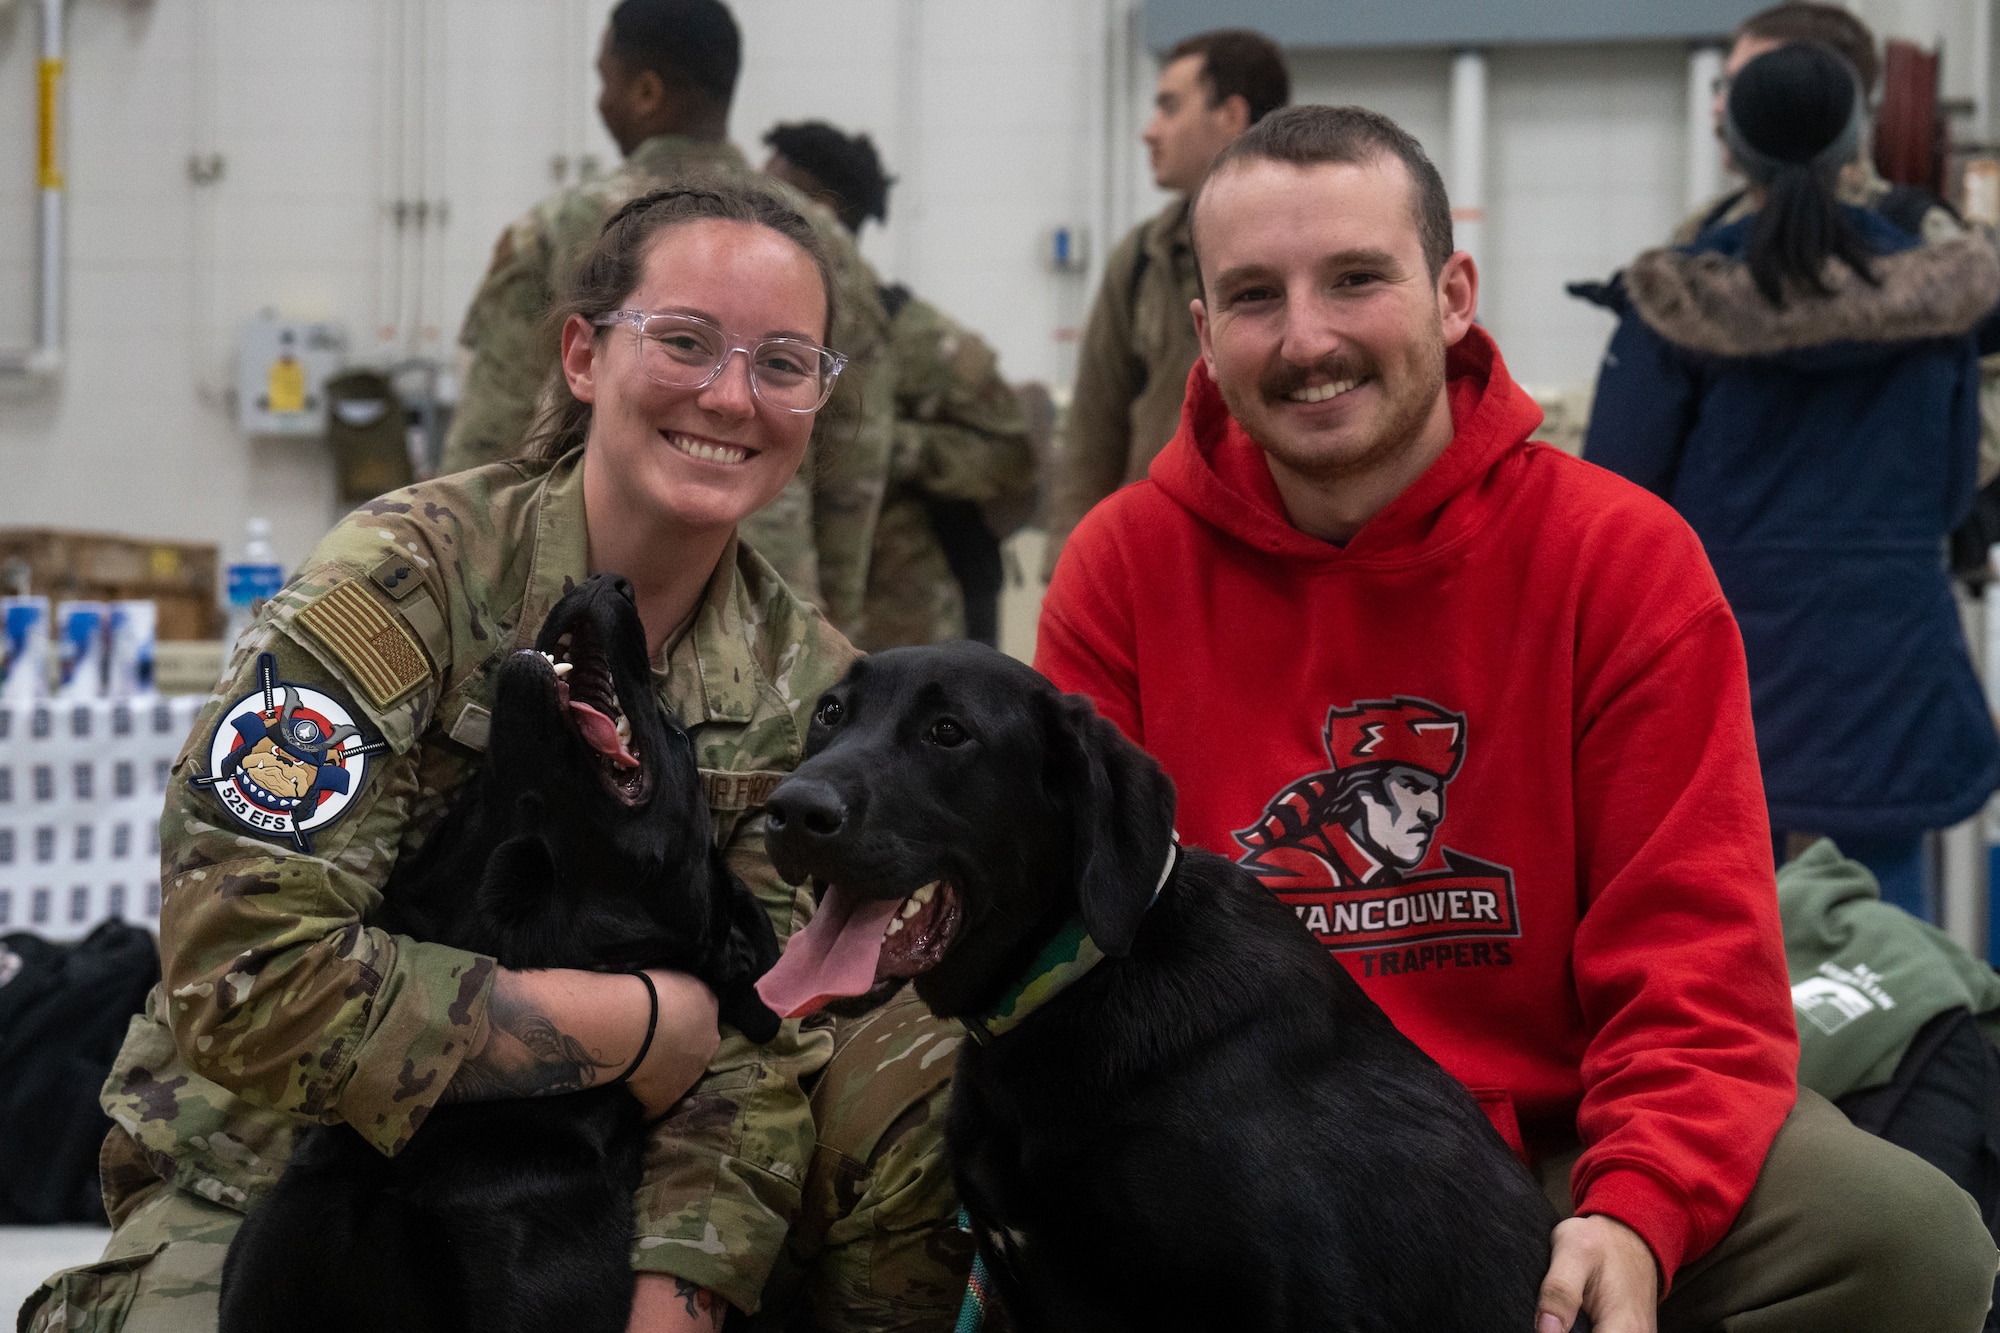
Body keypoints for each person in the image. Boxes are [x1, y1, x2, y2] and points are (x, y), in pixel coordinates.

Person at [1035, 102, 1999, 1332]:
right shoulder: (1118, 571)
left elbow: (1694, 960)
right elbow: (1078, 964)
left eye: (1353, 279)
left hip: (1563, 1141)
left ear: (1450, 293)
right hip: (1247, 1155)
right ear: (1203, 331)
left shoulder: (1620, 559)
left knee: (1904, 1240)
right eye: (1254, 296)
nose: (1307, 338)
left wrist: (1636, 1208)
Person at [18, 182, 929, 1333]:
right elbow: (248, 975)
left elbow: (759, 1063)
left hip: (589, 1186)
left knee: (921, 1079)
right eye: (686, 342)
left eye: (784, 361)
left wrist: (674, 1295)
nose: (731, 394)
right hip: (289, 1175)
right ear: (583, 356)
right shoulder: (403, 590)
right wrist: (639, 1024)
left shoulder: (807, 689)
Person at [1582, 44, 2000, 923]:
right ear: (1856, 141)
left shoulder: (1680, 302)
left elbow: (1617, 497)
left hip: (1728, 658)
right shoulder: (1942, 298)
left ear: (1733, 143)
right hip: (1891, 654)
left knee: (1723, 921)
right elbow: (1957, 490)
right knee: (1893, 943)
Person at [441, 0, 895, 642]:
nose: (603, 103)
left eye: (606, 81)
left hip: (559, 612)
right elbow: (858, 450)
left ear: (646, 90)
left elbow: (487, 441)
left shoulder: (557, 230)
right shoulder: (821, 247)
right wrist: (834, 614)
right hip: (774, 614)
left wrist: (469, 583)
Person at [762, 120, 1037, 650]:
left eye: (776, 189)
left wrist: (887, 445)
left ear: (822, 209)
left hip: (903, 619)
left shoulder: (908, 332)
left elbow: (1013, 452)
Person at [1041, 28, 1289, 577]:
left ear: (1231, 115)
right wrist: (1070, 570)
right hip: (1160, 564)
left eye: (1170, 108)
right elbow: (1093, 432)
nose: (1150, 132)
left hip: (1285, 564)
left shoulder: (1312, 245)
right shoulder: (1141, 262)